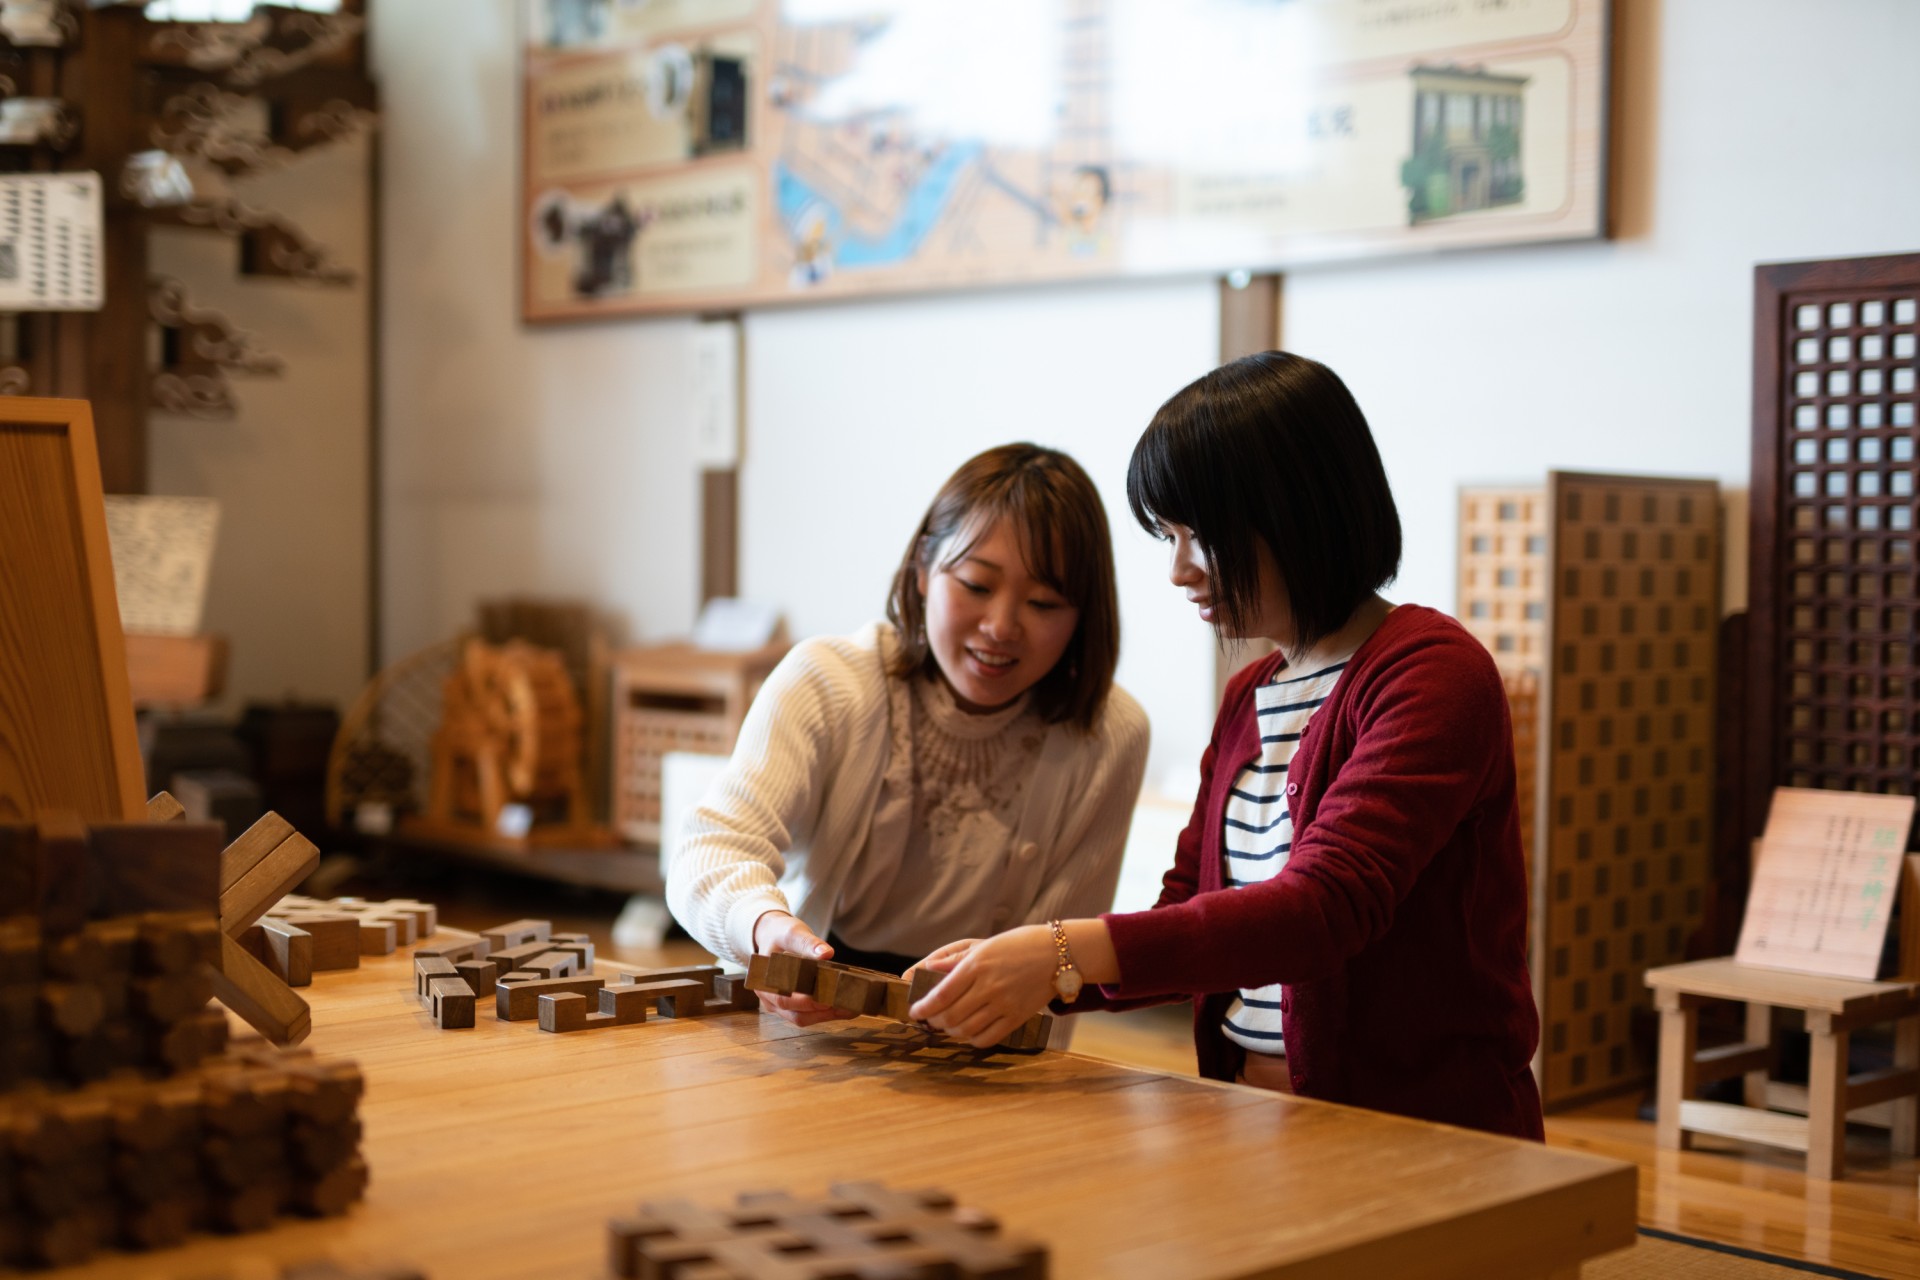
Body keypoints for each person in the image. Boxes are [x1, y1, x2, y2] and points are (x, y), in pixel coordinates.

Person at [909, 352, 1542, 1140]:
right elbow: (1189, 908)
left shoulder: (1432, 673)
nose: (1179, 571)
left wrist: (1058, 952)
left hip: (1425, 1132)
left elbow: (1322, 909)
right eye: (1168, 536)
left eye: (1199, 536)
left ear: (1296, 514)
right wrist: (1042, 973)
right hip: (1249, 1115)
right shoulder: (1251, 695)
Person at [666, 443, 1150, 1028]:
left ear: (1083, 616)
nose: (1001, 627)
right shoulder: (829, 681)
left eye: (1044, 602)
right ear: (923, 569)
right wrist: (767, 930)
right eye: (975, 584)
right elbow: (709, 851)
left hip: (988, 1051)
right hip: (805, 1031)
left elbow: (1058, 964)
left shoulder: (1108, 735)